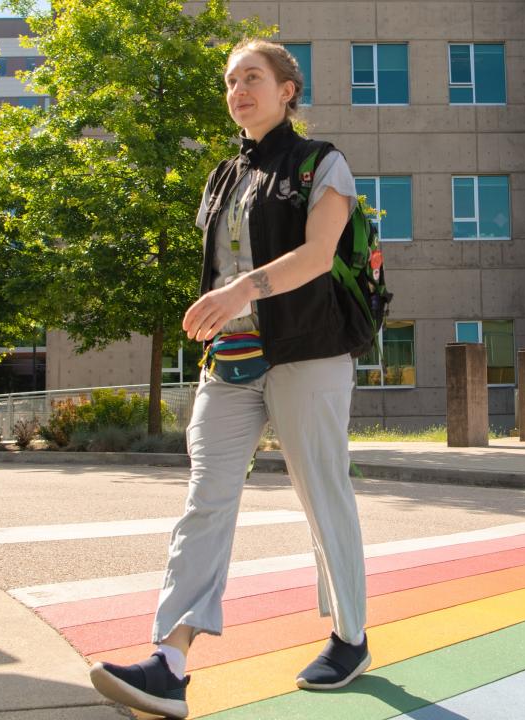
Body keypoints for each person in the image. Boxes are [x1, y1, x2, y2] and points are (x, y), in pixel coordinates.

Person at [87, 39, 374, 719]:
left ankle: (350, 636)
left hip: (308, 352)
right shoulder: (222, 176)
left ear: (288, 90)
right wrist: (224, 306)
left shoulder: (320, 163)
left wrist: (241, 290)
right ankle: (170, 661)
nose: (239, 89)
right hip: (233, 363)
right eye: (230, 81)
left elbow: (317, 253)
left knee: (321, 494)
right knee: (205, 501)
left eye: (253, 78)